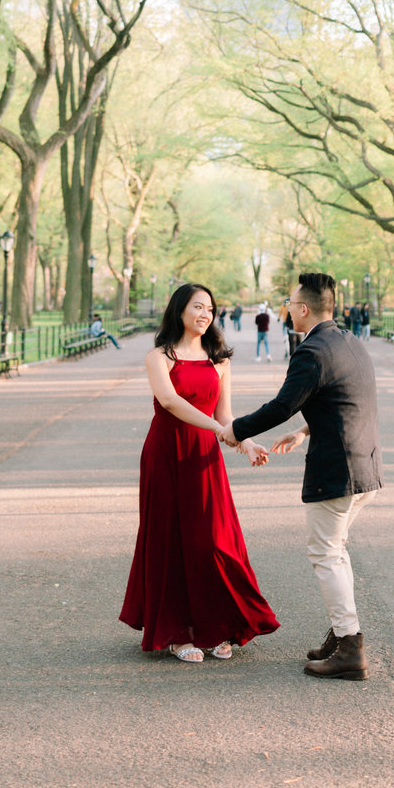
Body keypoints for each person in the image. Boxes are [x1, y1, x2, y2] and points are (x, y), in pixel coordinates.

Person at [226, 271, 383, 682]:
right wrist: (304, 430)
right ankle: (342, 633)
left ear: (304, 309)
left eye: (291, 304)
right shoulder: (349, 342)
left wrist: (235, 430)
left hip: (338, 470)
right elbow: (346, 397)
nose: (288, 309)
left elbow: (281, 405)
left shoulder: (311, 351)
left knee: (325, 554)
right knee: (337, 550)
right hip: (365, 466)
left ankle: (350, 646)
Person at [120, 282, 278, 664]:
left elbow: (226, 417)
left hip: (205, 457)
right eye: (197, 307)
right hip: (166, 454)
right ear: (179, 311)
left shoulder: (219, 360)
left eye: (210, 308)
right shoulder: (160, 356)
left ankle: (219, 626)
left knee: (214, 539)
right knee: (171, 538)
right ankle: (177, 634)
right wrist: (219, 430)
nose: (205, 314)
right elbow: (171, 402)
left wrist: (246, 442)